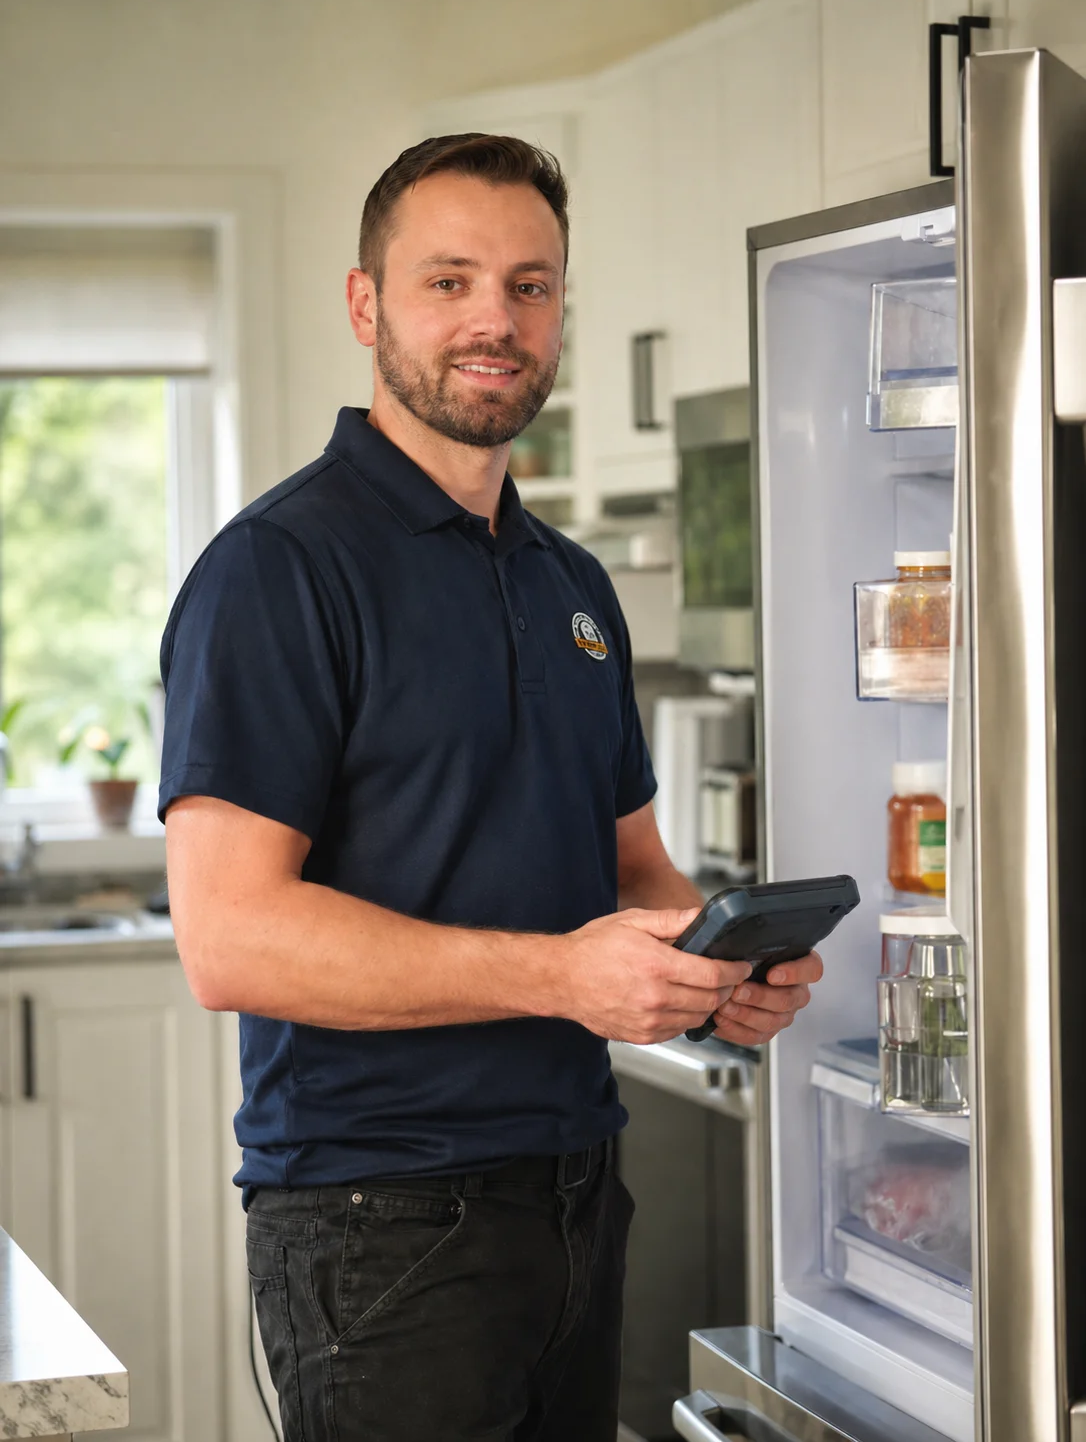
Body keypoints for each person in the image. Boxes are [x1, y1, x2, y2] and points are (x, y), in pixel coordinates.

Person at [159, 133, 823, 1442]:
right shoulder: (279, 571)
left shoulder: (567, 584)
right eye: (448, 280)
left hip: (576, 1191)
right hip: (380, 1224)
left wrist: (715, 973)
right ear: (366, 305)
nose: (494, 321)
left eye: (529, 286)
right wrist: (563, 978)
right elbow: (228, 937)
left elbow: (632, 870)